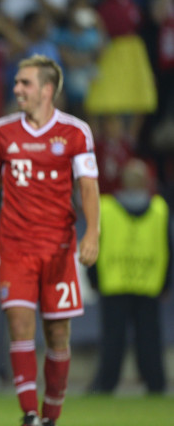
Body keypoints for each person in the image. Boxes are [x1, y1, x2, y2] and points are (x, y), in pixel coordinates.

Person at [0, 54, 100, 426]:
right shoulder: (4, 130)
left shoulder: (75, 131)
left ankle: (51, 415)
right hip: (15, 246)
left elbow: (88, 185)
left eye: (25, 83)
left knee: (57, 334)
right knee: (20, 324)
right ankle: (30, 414)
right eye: (17, 82)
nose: (17, 88)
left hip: (59, 248)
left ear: (47, 89)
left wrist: (93, 233)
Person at [90, 158, 170, 394]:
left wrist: (93, 277)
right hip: (148, 283)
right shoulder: (159, 208)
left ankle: (105, 385)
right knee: (150, 340)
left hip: (114, 282)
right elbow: (167, 247)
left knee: (113, 340)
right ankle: (155, 384)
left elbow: (94, 244)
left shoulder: (105, 207)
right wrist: (165, 282)